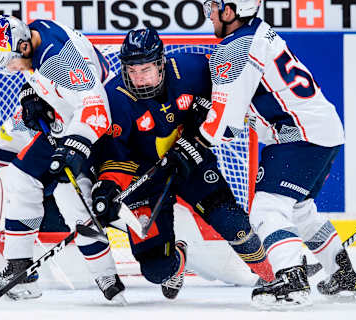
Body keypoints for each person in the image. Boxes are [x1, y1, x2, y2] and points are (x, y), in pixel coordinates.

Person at [200, 0, 356, 308]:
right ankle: (340, 273)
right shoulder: (259, 32)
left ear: (230, 11)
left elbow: (223, 125)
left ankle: (291, 278)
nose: (209, 12)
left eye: (214, 6)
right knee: (300, 209)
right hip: (322, 130)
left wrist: (195, 141)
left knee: (266, 210)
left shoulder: (235, 48)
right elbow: (244, 114)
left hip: (299, 135)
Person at [90, 27, 275, 300]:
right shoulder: (115, 98)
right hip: (146, 180)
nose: (139, 78)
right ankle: (178, 257)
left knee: (232, 222)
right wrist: (107, 187)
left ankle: (274, 277)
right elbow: (112, 157)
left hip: (192, 162)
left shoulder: (193, 69)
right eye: (132, 71)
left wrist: (208, 118)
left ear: (161, 62)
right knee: (157, 269)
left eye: (146, 69)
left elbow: (234, 99)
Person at [0, 15, 125, 303]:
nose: (9, 68)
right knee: (21, 177)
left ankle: (106, 276)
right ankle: (20, 270)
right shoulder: (32, 35)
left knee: (71, 195)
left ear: (23, 47)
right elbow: (46, 81)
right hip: (67, 119)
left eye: (9, 61)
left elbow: (97, 110)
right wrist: (30, 94)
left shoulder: (58, 58)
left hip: (97, 130)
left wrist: (74, 147)